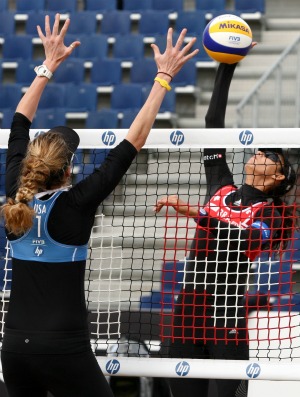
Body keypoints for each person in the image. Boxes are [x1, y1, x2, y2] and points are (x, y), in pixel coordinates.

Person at [0, 13, 198, 397]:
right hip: (64, 349)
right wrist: (163, 77)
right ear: (69, 168)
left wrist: (47, 66)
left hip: (14, 347)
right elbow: (133, 141)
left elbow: (19, 121)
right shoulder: (77, 203)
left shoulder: (14, 193)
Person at [154, 61, 297, 397]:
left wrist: (195, 213)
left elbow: (241, 237)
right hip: (188, 304)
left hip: (227, 308)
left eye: (270, 155)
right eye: (261, 149)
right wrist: (226, 65)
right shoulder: (221, 186)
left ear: (278, 177)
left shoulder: (273, 212)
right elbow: (212, 124)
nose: (260, 152)